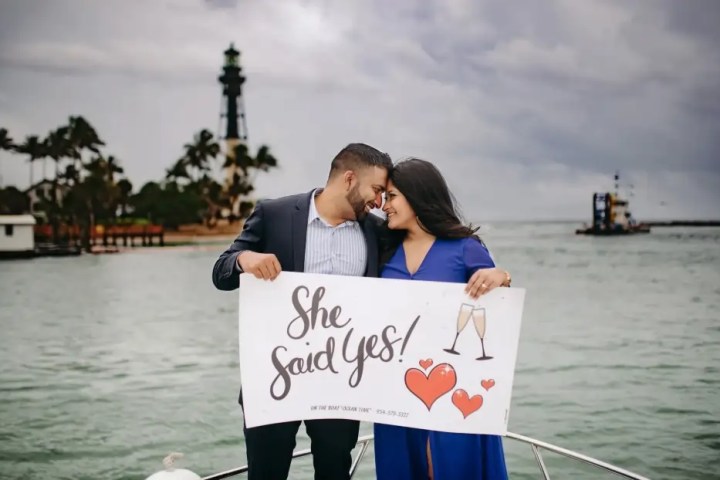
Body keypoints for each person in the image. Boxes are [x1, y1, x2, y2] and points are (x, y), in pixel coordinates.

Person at [374, 158, 510, 480]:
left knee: (449, 467)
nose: (384, 206)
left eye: (392, 196)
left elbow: (499, 304)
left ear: (416, 196)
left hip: (455, 385)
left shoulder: (465, 248)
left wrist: (501, 275)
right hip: (396, 388)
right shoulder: (382, 249)